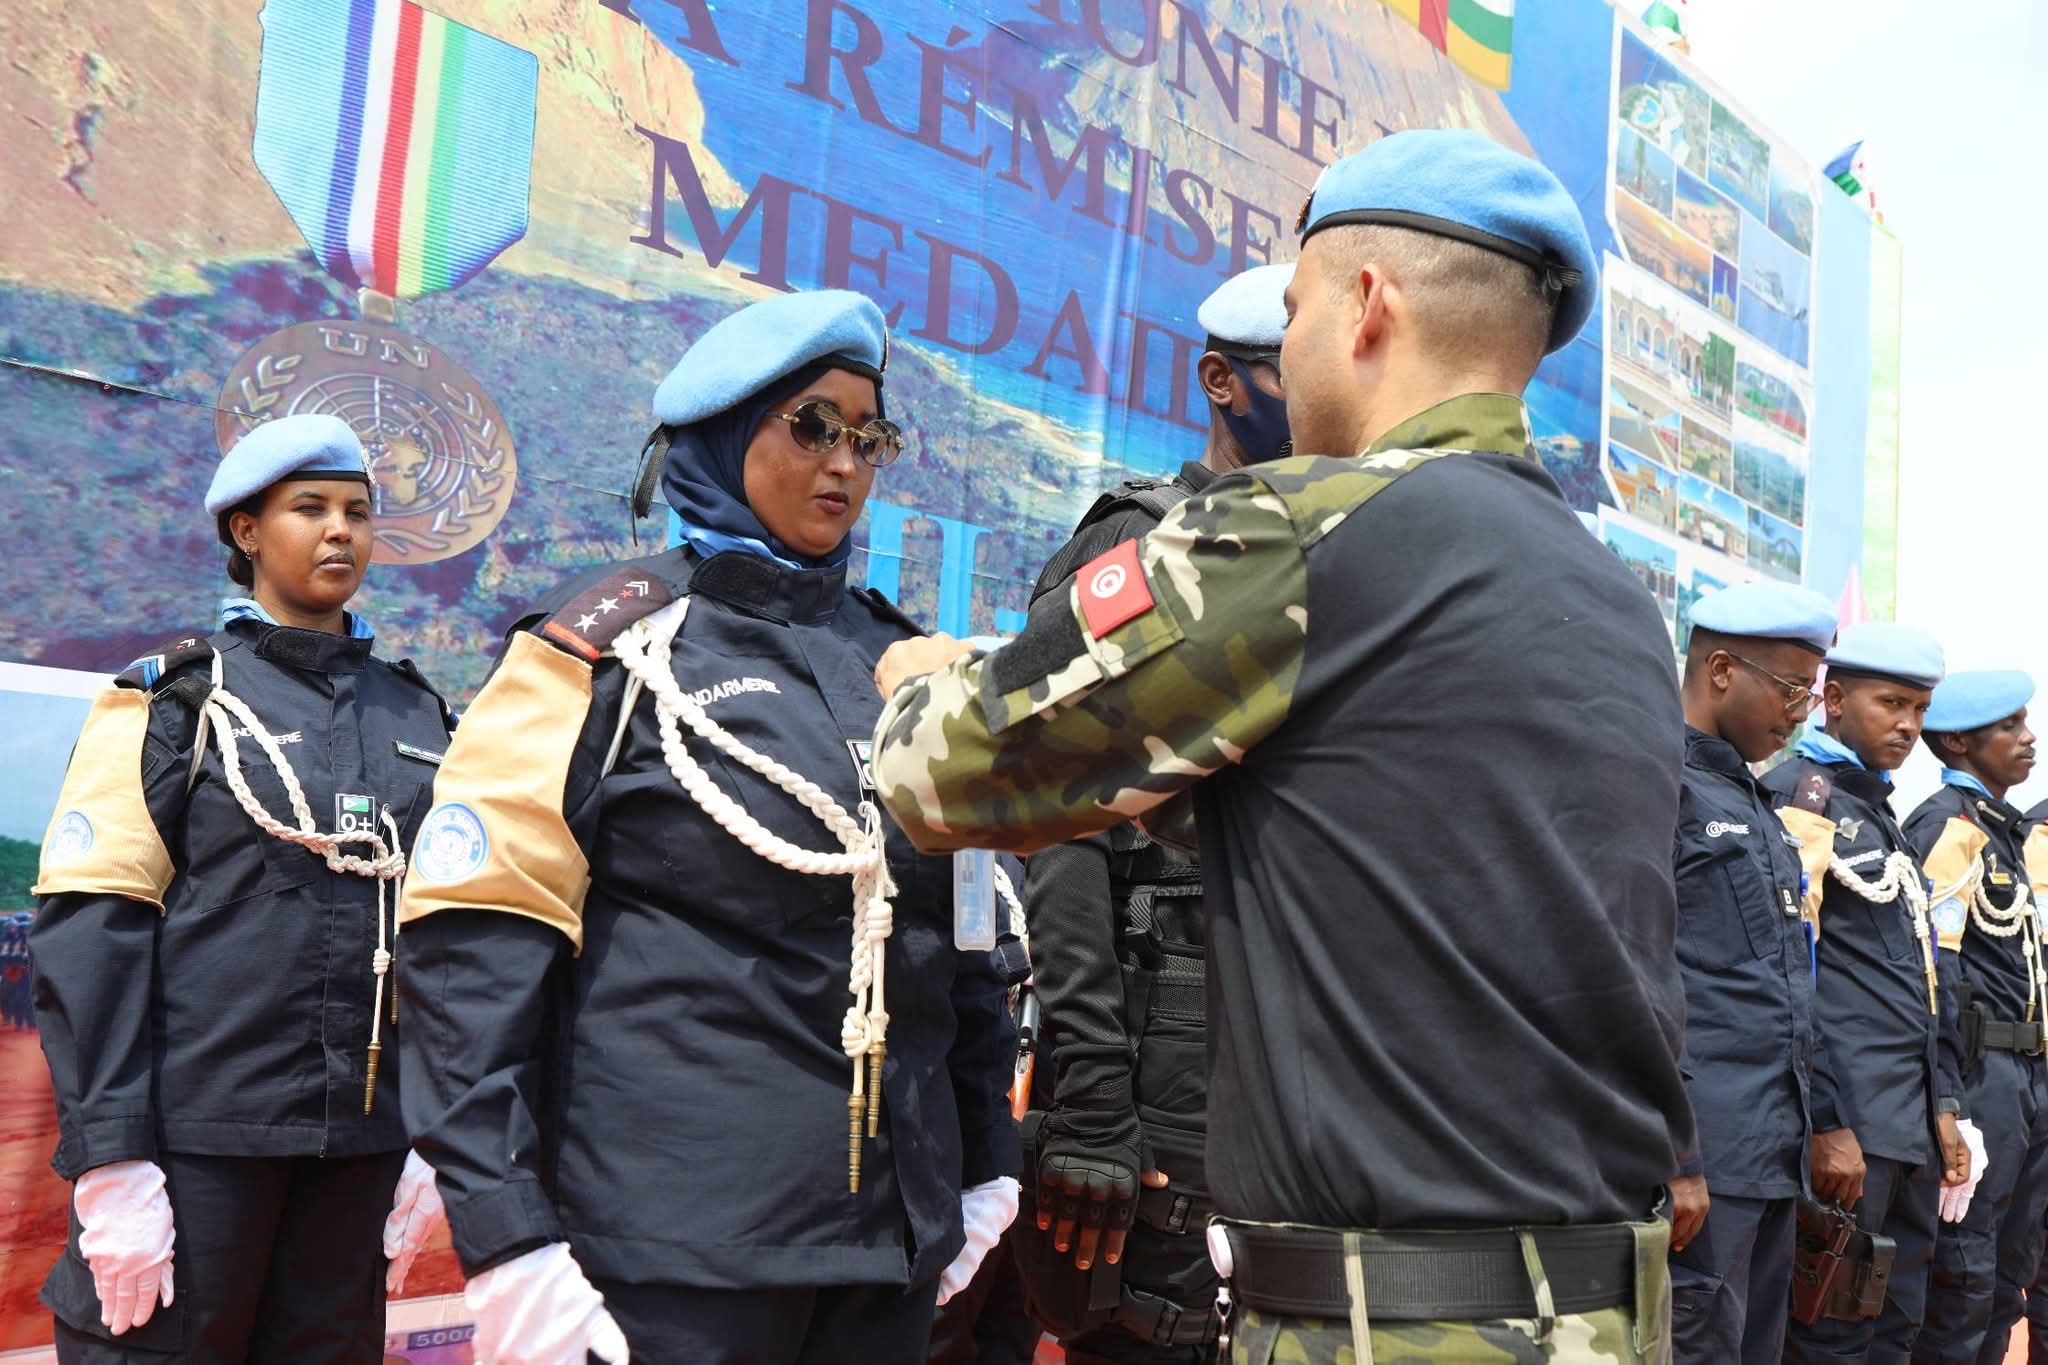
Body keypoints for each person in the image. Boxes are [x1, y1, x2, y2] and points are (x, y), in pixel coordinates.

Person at [868, 128, 1696, 1362]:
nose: (1291, 342)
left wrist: (917, 676)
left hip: (1391, 1324)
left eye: (1298, 305)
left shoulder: (1303, 536)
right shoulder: (1616, 607)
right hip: (1596, 1314)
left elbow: (944, 771)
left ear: (1365, 306)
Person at [396, 289, 1020, 1365]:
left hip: (889, 1254)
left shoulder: (898, 664)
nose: (845, 465)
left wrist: (985, 1162)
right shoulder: (599, 654)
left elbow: (953, 940)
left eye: (869, 438)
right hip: (677, 1259)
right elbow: (473, 952)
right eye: (812, 427)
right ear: (722, 435)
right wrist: (506, 1238)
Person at [29, 414, 454, 1362]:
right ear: (247, 531)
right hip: (191, 1153)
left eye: (357, 510)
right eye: (310, 508)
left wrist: (434, 1127)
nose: (340, 530)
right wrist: (112, 1157)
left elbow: (444, 941)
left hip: (359, 1156)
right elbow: (90, 931)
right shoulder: (175, 700)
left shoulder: (418, 713)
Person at [1013, 261, 1293, 1365]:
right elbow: (1056, 823)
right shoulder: (1131, 547)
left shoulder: (1343, 556)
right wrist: (1088, 1103)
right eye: (1289, 368)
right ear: (1222, 383)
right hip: (1164, 1031)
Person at [1763, 622, 1972, 1364]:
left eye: (1919, 708)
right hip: (1849, 1130)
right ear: (1836, 699)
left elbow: (1920, 983)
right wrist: (1825, 1118)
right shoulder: (1802, 798)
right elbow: (1785, 969)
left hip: (1904, 1129)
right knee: (1830, 1341)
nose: (1909, 725)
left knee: (1897, 1333)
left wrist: (1942, 1109)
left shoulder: (1878, 813)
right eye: (1891, 703)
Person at [1665, 583, 1840, 1363]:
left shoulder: (1759, 805)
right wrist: (1675, 1158)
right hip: (1704, 1162)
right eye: (1793, 687)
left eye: (1813, 690)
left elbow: (1787, 988)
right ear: (1725, 668)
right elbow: (1641, 977)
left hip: (1771, 1158)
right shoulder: (1658, 783)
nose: (1803, 710)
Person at [1907, 671, 2044, 1364]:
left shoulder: (2002, 830)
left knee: (2009, 1279)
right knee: (1963, 1279)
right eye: (2010, 726)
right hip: (1979, 1074)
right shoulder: (1949, 826)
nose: (2029, 738)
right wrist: (1950, 1099)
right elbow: (1935, 968)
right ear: (1959, 741)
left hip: (2025, 1074)